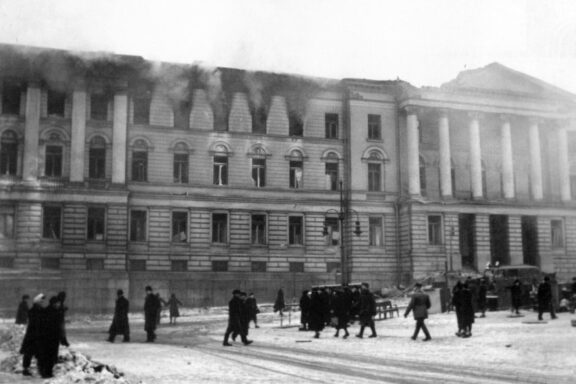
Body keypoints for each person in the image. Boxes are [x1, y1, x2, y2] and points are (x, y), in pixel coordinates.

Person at [20, 293, 47, 377]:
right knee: (29, 353)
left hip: (37, 335)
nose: (42, 302)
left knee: (39, 353)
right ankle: (26, 369)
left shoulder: (41, 310)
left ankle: (40, 369)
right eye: (41, 301)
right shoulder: (33, 311)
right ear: (37, 302)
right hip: (32, 335)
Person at [41, 296, 64, 379]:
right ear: (54, 303)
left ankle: (47, 372)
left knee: (50, 356)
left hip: (52, 337)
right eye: (58, 303)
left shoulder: (51, 311)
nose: (59, 304)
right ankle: (47, 372)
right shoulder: (51, 312)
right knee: (49, 356)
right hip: (50, 338)